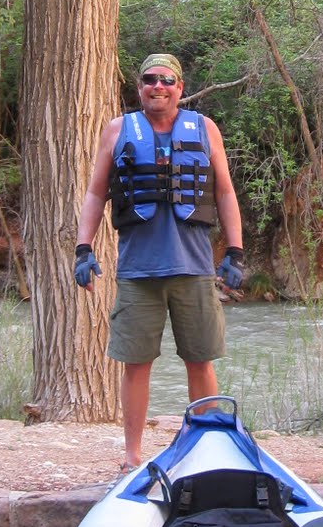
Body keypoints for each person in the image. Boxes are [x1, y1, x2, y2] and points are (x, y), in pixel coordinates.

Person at [74, 52, 245, 471]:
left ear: (179, 88)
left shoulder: (205, 129)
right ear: (140, 88)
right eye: (150, 80)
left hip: (195, 269)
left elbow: (224, 192)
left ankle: (206, 454)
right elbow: (97, 193)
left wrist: (235, 251)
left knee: (200, 360)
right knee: (135, 364)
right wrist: (83, 248)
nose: (158, 86)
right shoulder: (117, 131)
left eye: (167, 80)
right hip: (138, 272)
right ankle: (132, 457)